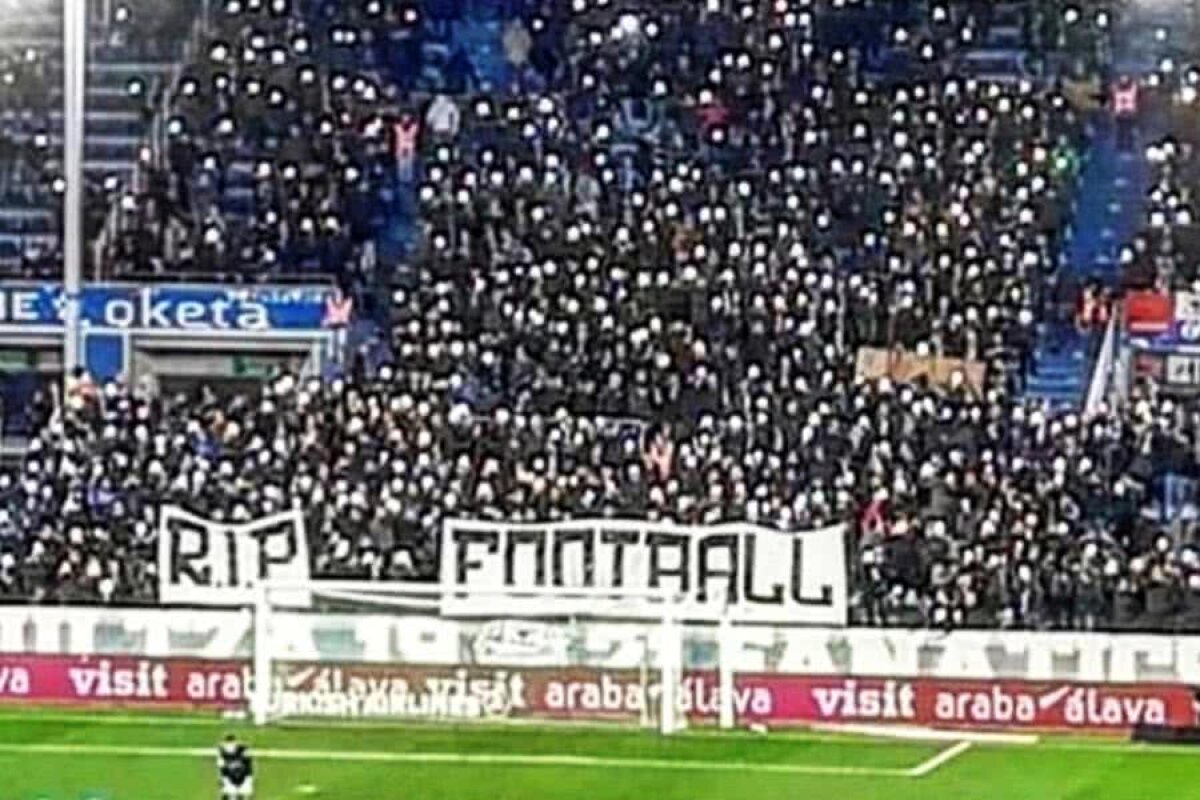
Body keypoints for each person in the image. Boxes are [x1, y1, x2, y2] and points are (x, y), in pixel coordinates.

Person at [218, 734, 254, 800]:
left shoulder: (243, 750)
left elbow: (249, 767)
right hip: (230, 778)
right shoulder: (222, 753)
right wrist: (225, 782)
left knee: (245, 795)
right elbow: (223, 770)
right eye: (228, 744)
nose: (230, 746)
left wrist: (248, 780)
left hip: (243, 777)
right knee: (230, 794)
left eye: (232, 743)